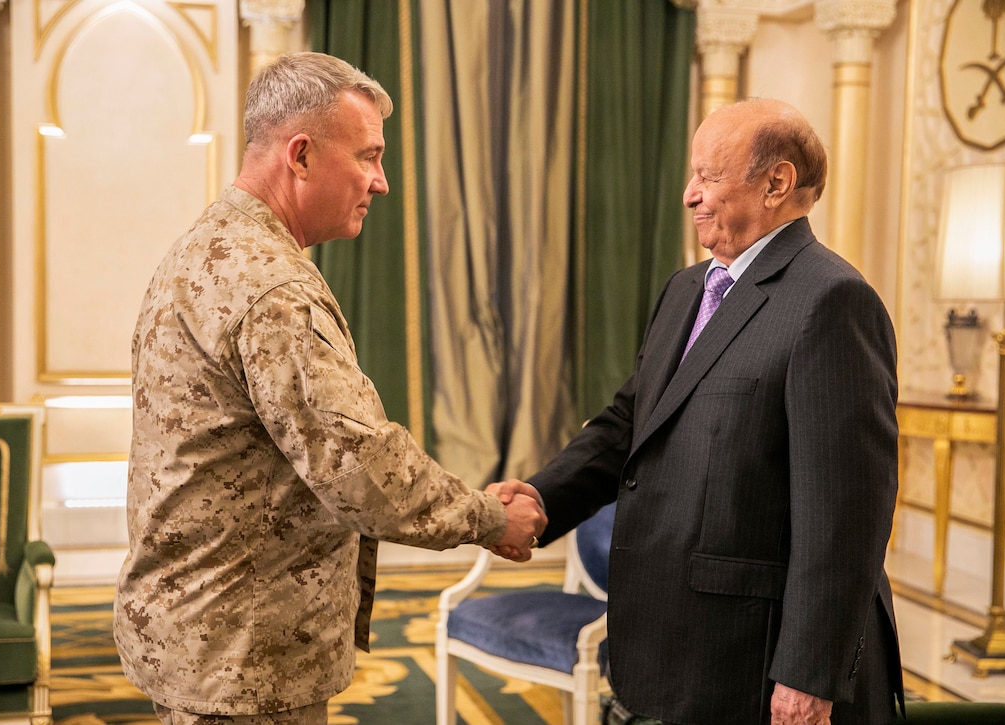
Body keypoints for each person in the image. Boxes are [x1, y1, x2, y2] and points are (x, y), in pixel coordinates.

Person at [113, 51, 546, 725]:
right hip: (243, 657)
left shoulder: (205, 245)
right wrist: (489, 518)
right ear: (302, 155)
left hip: (196, 632)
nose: (382, 182)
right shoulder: (273, 288)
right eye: (369, 156)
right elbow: (361, 469)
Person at [492, 98, 904, 725]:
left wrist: (807, 673)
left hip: (761, 659)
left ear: (777, 183)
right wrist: (543, 500)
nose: (690, 194)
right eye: (692, 174)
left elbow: (846, 515)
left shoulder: (832, 301)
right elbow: (631, 423)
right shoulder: (688, 287)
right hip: (683, 642)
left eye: (709, 175)